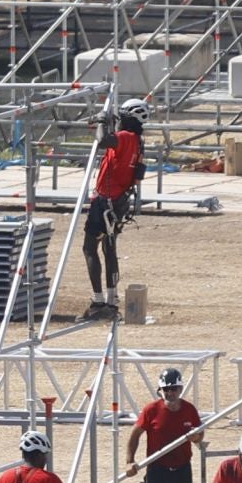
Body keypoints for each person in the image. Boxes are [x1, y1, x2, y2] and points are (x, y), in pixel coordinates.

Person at [80, 97, 149, 322]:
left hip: (106, 201)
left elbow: (102, 140)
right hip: (118, 202)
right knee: (109, 248)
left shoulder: (125, 138)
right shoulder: (137, 141)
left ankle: (99, 301)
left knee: (90, 248)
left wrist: (101, 122)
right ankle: (111, 300)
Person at [126, 367, 206, 483]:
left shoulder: (189, 410)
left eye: (174, 389)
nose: (170, 393)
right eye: (166, 389)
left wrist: (196, 436)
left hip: (182, 468)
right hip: (157, 467)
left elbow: (200, 435)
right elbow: (135, 434)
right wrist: (130, 461)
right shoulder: (151, 410)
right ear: (160, 390)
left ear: (180, 389)